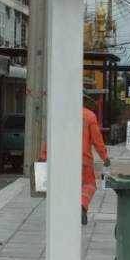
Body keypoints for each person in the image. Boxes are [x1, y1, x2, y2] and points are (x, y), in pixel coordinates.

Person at [41, 91, 110, 224]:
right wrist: (105, 157)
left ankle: (63, 214)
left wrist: (44, 156)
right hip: (83, 160)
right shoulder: (89, 116)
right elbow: (97, 141)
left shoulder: (59, 115)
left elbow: (51, 137)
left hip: (62, 160)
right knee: (89, 185)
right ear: (83, 100)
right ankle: (82, 205)